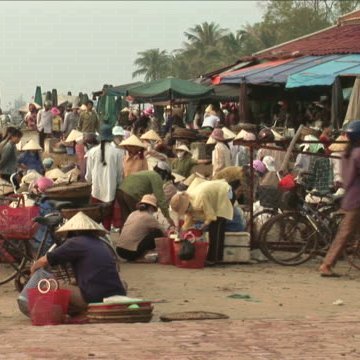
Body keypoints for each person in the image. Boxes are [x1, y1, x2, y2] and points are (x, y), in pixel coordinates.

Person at [30, 211, 126, 315]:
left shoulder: (75, 242)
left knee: (50, 284)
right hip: (117, 293)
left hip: (95, 298)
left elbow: (45, 260)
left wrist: (33, 269)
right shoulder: (100, 243)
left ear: (72, 231)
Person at [319, 121, 360, 276]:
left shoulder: (346, 154)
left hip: (350, 196)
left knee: (348, 232)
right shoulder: (358, 154)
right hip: (357, 199)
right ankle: (327, 265)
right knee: (344, 234)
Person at [170, 180, 234, 263]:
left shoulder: (200, 199)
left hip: (225, 192)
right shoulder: (190, 200)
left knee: (216, 226)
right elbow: (190, 217)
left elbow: (211, 216)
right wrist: (182, 231)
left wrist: (204, 225)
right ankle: (213, 257)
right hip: (214, 194)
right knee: (213, 227)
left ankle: (215, 259)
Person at [85, 124, 124, 230]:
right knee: (107, 218)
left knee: (96, 218)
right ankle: (106, 239)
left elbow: (88, 175)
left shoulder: (92, 152)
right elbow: (120, 174)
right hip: (110, 191)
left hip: (95, 190)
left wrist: (89, 183)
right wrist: (118, 185)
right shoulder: (117, 153)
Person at [117, 161, 175, 226]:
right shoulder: (156, 177)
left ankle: (124, 234)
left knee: (126, 219)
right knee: (140, 218)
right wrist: (168, 217)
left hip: (120, 190)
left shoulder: (147, 173)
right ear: (165, 175)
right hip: (132, 194)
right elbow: (161, 199)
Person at [116, 194, 165, 261]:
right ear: (151, 207)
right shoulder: (148, 217)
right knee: (157, 233)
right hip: (130, 252)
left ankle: (137, 255)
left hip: (120, 250)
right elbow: (164, 232)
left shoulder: (133, 213)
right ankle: (140, 256)